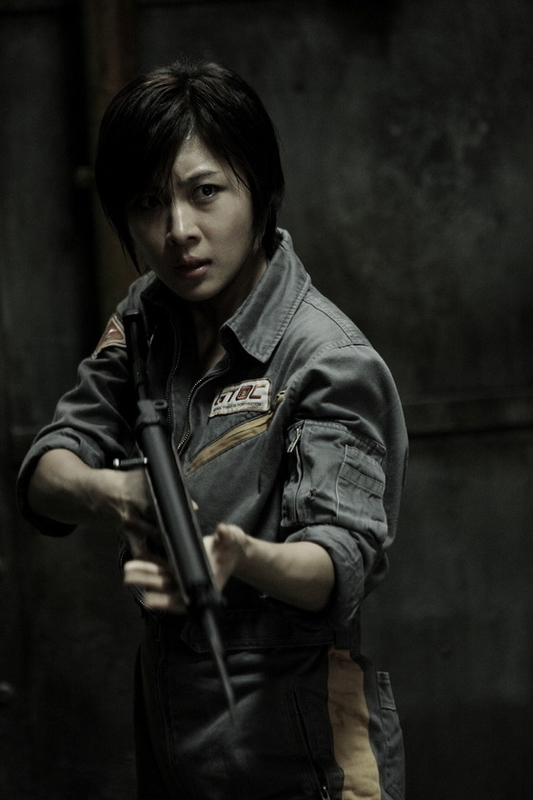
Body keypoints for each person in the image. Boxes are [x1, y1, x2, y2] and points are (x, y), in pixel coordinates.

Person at [17, 58, 408, 800]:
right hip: (177, 737)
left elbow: (339, 564)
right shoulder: (147, 320)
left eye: (205, 192)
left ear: (257, 189)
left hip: (304, 751)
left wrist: (238, 556)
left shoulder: (328, 360)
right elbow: (46, 472)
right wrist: (118, 493)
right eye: (147, 203)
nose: (178, 231)